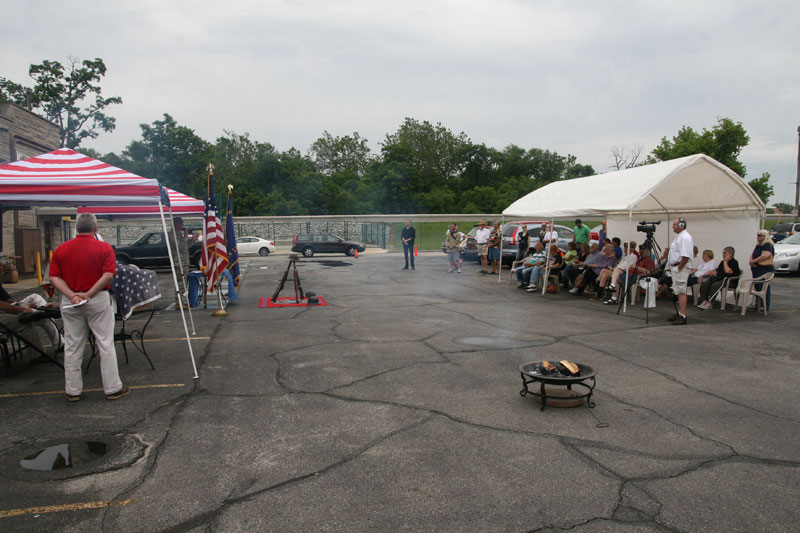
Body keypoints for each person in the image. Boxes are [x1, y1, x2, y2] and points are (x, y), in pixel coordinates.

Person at [49, 212, 129, 402]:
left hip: (70, 301)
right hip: (97, 298)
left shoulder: (61, 249)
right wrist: (89, 293)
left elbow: (54, 277)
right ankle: (112, 388)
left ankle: (73, 390)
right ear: (95, 228)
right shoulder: (104, 249)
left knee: (72, 345)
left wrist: (71, 295)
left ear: (76, 228)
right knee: (105, 343)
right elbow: (108, 276)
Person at [0, 282, 61, 354]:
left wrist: (23, 305)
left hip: (5, 309)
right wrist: (22, 308)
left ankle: (42, 311)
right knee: (24, 322)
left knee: (36, 298)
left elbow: (6, 300)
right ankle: (37, 354)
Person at [663, 218, 693, 325]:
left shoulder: (685, 238)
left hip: (680, 267)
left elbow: (685, 255)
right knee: (678, 290)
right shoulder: (679, 237)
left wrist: (679, 268)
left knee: (681, 291)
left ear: (681, 225)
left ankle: (683, 315)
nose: (673, 226)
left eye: (675, 224)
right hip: (676, 267)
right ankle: (680, 313)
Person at [748, 229, 775, 311]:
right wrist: (751, 261)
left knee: (764, 287)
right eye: (757, 235)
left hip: (764, 269)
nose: (758, 237)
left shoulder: (767, 245)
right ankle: (758, 304)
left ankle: (765, 305)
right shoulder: (758, 245)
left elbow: (765, 255)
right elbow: (753, 254)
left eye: (760, 235)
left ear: (765, 236)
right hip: (757, 269)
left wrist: (754, 261)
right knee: (758, 286)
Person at [168, 216, 191, 308]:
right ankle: (178, 301)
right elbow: (179, 247)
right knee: (180, 282)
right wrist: (186, 236)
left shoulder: (178, 234)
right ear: (176, 224)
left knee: (184, 282)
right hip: (179, 262)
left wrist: (192, 239)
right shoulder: (172, 235)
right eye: (181, 224)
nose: (182, 226)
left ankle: (180, 300)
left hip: (184, 261)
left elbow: (185, 247)